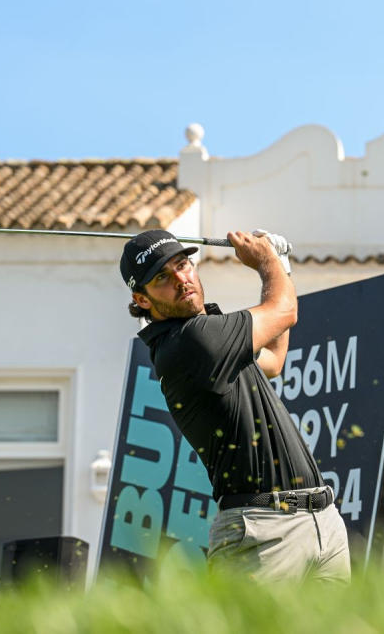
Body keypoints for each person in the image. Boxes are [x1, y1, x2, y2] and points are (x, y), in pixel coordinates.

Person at [120, 228, 351, 583]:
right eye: (162, 277)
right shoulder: (190, 342)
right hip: (262, 532)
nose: (181, 279)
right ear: (143, 299)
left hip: (321, 522)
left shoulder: (208, 342)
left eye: (183, 264)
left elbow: (273, 359)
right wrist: (266, 261)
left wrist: (281, 267)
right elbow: (284, 311)